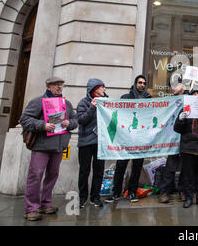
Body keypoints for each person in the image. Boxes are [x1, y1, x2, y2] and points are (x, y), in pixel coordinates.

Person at [20, 77, 78, 221]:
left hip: (58, 147)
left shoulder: (67, 104)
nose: (59, 87)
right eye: (56, 85)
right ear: (48, 86)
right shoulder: (38, 101)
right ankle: (31, 209)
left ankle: (45, 204)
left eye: (61, 85)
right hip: (41, 146)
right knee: (35, 176)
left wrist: (69, 123)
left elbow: (75, 121)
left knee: (52, 175)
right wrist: (42, 125)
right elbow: (25, 119)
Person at [105, 75, 151, 204]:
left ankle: (132, 192)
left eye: (144, 83)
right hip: (125, 137)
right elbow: (118, 114)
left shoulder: (149, 99)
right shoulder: (126, 98)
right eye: (139, 82)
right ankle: (115, 192)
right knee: (121, 166)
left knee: (137, 167)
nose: (142, 85)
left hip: (140, 138)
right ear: (135, 83)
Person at [77, 78, 108, 208]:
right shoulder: (83, 103)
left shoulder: (107, 102)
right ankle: (83, 197)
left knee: (99, 171)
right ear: (94, 89)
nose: (104, 89)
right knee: (84, 171)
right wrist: (92, 107)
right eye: (102, 87)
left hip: (100, 143)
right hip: (85, 143)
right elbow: (81, 120)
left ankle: (95, 197)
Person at [158, 82, 187, 203]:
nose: (173, 90)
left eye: (176, 89)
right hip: (172, 138)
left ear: (182, 90)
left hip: (185, 138)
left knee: (185, 168)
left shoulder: (188, 101)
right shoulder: (171, 101)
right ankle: (164, 192)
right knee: (170, 166)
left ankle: (183, 191)